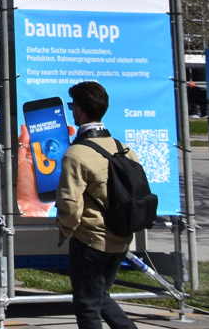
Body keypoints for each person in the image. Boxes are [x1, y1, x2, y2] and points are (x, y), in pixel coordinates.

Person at [57, 81, 140, 329]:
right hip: (121, 238)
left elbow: (69, 205)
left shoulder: (77, 154)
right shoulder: (123, 148)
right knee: (100, 296)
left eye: (73, 106)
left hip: (90, 241)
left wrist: (66, 229)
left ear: (80, 111)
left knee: (87, 307)